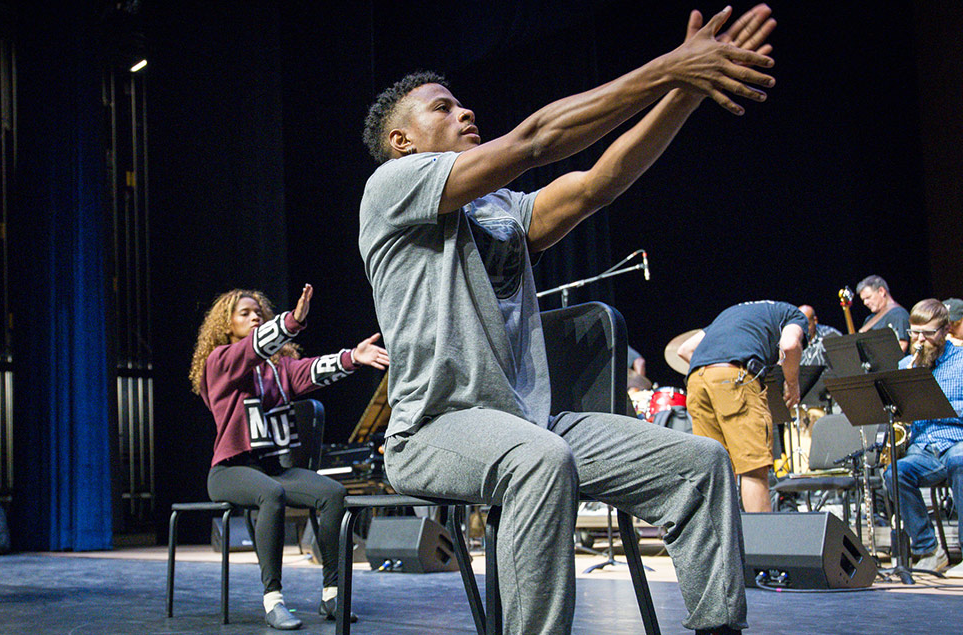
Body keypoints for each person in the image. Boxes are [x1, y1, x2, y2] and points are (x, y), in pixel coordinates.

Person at [357, 6, 775, 634]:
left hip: (530, 421)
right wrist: (668, 67)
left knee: (701, 465)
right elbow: (534, 141)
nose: (464, 112)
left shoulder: (500, 207)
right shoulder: (391, 187)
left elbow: (596, 186)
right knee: (540, 460)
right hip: (433, 429)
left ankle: (720, 628)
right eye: (441, 108)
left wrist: (685, 92)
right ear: (402, 141)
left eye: (460, 103)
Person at [189, 284, 388, 630]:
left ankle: (331, 594)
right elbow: (251, 349)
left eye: (258, 313)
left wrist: (353, 358)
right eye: (245, 313)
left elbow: (311, 370)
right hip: (229, 471)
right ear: (226, 324)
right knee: (271, 494)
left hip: (273, 470)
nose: (254, 317)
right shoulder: (219, 362)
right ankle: (273, 600)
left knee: (332, 494)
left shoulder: (278, 369)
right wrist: (293, 321)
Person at [676, 301, 807, 513]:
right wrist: (792, 385)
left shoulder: (730, 314)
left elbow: (685, 349)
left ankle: (721, 543)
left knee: (716, 471)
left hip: (696, 381)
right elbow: (790, 345)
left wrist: (713, 373)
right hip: (735, 378)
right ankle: (763, 544)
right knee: (753, 468)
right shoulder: (793, 314)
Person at [883, 299, 963, 577]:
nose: (919, 340)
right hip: (923, 448)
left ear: (944, 331)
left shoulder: (961, 361)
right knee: (895, 473)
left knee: (960, 461)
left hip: (957, 441)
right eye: (914, 333)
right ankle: (929, 549)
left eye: (927, 334)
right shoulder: (907, 364)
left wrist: (939, 408)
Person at [856, 274, 910, 352]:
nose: (865, 303)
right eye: (863, 300)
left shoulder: (899, 314)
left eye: (868, 297)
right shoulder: (869, 319)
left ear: (881, 291)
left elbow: (902, 346)